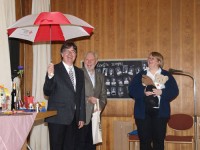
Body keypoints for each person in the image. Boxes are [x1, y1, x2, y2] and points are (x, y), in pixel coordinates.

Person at [128, 52, 179, 150]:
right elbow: (131, 90)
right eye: (149, 58)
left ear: (159, 61)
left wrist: (161, 92)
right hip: (143, 114)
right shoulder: (141, 74)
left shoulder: (166, 75)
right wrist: (143, 91)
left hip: (160, 113)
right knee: (144, 142)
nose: (149, 60)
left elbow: (174, 91)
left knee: (159, 142)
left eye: (152, 58)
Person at [43, 41, 86, 150]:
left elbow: (81, 95)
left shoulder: (80, 72)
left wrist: (81, 116)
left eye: (73, 51)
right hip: (57, 118)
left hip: (73, 119)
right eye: (66, 51)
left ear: (75, 55)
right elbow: (47, 91)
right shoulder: (54, 69)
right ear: (61, 54)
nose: (70, 54)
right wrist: (50, 76)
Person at [75, 51, 107, 150]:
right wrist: (87, 99)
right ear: (84, 61)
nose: (89, 62)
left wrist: (98, 106)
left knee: (91, 146)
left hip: (95, 116)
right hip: (81, 116)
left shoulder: (100, 76)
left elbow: (103, 96)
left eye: (91, 60)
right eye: (86, 60)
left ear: (96, 61)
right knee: (79, 145)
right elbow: (74, 94)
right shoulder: (78, 73)